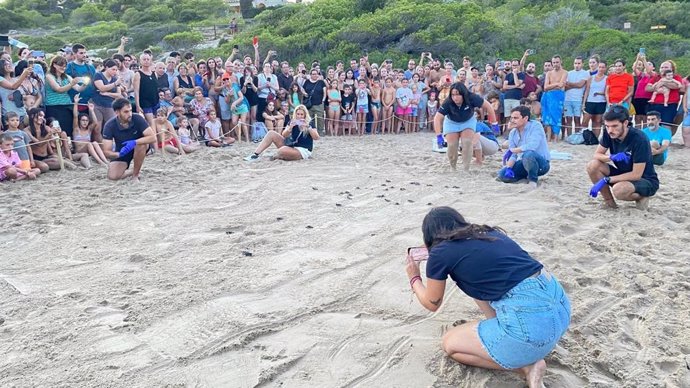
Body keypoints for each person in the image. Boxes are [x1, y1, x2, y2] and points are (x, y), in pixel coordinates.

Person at [405, 206, 570, 388]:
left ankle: (527, 367)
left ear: (429, 238)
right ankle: (510, 338)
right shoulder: (487, 233)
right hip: (560, 309)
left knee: (450, 344)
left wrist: (414, 277)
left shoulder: (440, 253)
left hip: (531, 327)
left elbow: (432, 302)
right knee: (479, 288)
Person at [586, 106, 659, 210]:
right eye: (607, 126)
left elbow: (636, 175)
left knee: (619, 190)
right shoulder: (609, 133)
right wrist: (611, 157)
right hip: (622, 174)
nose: (610, 130)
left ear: (625, 123)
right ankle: (610, 204)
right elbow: (597, 155)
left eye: (615, 126)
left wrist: (606, 179)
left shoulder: (639, 139)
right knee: (592, 165)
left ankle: (641, 197)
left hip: (645, 180)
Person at [433, 82, 499, 171]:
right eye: (453, 95)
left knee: (467, 143)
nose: (455, 98)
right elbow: (437, 118)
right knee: (452, 146)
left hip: (468, 121)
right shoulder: (448, 102)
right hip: (451, 122)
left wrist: (494, 123)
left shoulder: (472, 97)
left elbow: (488, 106)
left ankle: (466, 168)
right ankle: (453, 168)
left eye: (458, 95)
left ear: (463, 94)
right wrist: (438, 136)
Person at [101, 98, 157, 182]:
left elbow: (153, 138)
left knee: (140, 144)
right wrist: (119, 154)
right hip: (123, 150)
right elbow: (106, 151)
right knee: (113, 176)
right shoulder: (109, 125)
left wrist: (134, 142)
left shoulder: (137, 118)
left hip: (140, 147)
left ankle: (135, 175)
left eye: (130, 110)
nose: (130, 114)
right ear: (117, 112)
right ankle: (132, 171)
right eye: (126, 112)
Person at [497, 106, 551, 188]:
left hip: (541, 163)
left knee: (528, 154)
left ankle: (532, 180)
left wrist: (513, 150)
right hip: (524, 162)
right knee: (502, 175)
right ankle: (524, 177)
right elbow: (513, 155)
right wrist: (509, 168)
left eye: (516, 118)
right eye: (511, 118)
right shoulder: (513, 133)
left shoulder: (536, 126)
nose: (512, 120)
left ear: (525, 118)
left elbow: (532, 146)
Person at [243, 104, 319, 162]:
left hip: (303, 150)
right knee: (271, 133)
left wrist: (308, 127)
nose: (299, 116)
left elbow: (316, 137)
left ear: (305, 115)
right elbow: (284, 135)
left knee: (282, 150)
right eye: (298, 114)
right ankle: (255, 154)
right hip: (291, 145)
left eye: (301, 114)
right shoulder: (293, 121)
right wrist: (290, 128)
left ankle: (273, 156)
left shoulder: (309, 122)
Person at [71, 97, 108, 166]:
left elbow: (95, 122)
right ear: (79, 121)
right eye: (83, 120)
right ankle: (100, 162)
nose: (85, 122)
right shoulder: (76, 129)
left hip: (88, 150)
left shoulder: (89, 130)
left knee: (94, 143)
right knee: (89, 144)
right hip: (79, 151)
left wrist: (91, 110)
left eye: (86, 120)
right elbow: (75, 116)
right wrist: (76, 103)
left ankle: (105, 160)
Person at [541, 56, 567, 142]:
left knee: (557, 116)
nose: (555, 64)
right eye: (554, 62)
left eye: (557, 62)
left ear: (560, 62)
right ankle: (548, 138)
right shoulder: (549, 73)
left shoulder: (565, 72)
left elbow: (561, 86)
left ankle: (556, 137)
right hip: (548, 97)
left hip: (558, 96)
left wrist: (552, 85)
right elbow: (545, 87)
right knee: (548, 117)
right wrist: (556, 84)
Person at [563, 56, 589, 137]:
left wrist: (571, 84)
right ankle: (569, 136)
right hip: (567, 99)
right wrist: (576, 85)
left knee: (577, 119)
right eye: (575, 63)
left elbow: (580, 84)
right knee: (568, 119)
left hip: (578, 100)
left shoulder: (585, 73)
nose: (577, 65)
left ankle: (577, 136)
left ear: (582, 64)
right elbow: (565, 86)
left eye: (579, 63)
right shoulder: (569, 73)